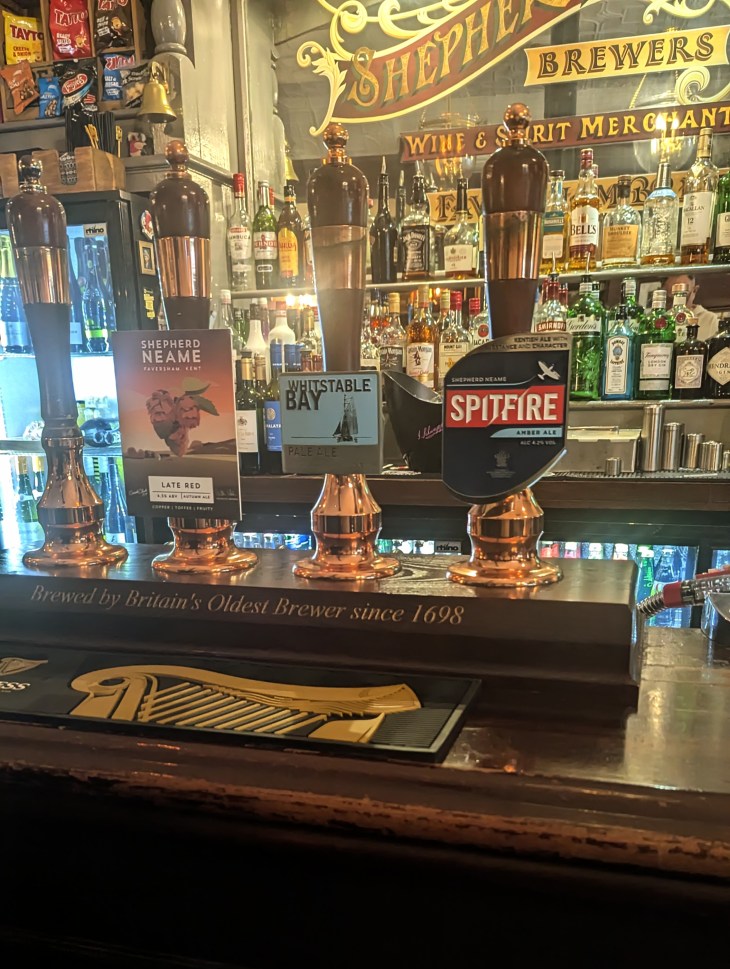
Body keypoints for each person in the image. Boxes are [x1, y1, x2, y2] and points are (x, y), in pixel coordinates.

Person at [662, 273, 719, 341]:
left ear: (694, 290)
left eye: (683, 295)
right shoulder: (660, 318)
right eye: (671, 296)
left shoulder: (710, 320)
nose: (675, 301)